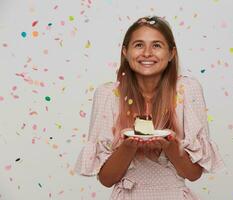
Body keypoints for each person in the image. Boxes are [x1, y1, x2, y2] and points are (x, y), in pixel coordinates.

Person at [75, 15, 224, 200]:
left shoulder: (187, 91)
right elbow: (106, 179)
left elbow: (193, 174)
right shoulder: (108, 95)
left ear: (171, 53)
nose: (147, 53)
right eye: (138, 45)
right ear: (125, 52)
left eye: (156, 45)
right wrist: (128, 147)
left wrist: (170, 146)